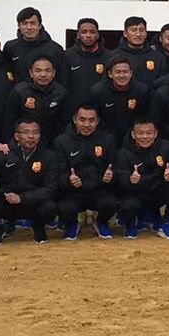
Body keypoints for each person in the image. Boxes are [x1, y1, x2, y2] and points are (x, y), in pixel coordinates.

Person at [0, 118, 60, 245]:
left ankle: (38, 227)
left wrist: (22, 198)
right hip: (5, 202)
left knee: (50, 207)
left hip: (32, 203)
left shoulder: (49, 156)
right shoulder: (3, 153)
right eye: (25, 132)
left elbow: (50, 188)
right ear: (16, 136)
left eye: (35, 132)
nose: (31, 136)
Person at [53, 103, 119, 240]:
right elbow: (58, 174)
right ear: (74, 119)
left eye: (91, 120)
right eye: (82, 120)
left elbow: (116, 169)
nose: (87, 124)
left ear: (97, 121)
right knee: (63, 207)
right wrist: (68, 180)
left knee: (111, 203)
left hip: (100, 190)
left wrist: (111, 177)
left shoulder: (108, 140)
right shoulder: (61, 142)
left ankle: (100, 222)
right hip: (73, 192)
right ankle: (72, 224)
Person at [113, 117, 169, 240]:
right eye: (140, 133)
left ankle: (166, 223)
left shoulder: (166, 146)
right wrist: (130, 179)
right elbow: (119, 178)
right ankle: (131, 223)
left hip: (157, 191)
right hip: (136, 193)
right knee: (126, 205)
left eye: (149, 133)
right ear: (133, 135)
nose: (145, 137)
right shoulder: (124, 153)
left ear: (155, 133)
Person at [4, 56, 69, 142]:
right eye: (38, 71)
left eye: (47, 71)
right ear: (31, 73)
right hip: (25, 142)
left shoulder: (61, 93)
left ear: (54, 73)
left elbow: (65, 122)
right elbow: (9, 122)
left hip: (52, 143)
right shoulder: (19, 92)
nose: (43, 74)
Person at [90, 56, 149, 144]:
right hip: (105, 140)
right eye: (118, 72)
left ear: (131, 73)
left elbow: (144, 118)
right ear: (110, 74)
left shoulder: (141, 91)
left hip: (134, 140)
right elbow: (95, 119)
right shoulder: (98, 91)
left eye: (125, 72)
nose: (122, 75)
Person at [3, 6, 65, 82]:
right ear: (19, 26)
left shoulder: (55, 49)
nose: (29, 27)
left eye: (33, 23)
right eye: (25, 23)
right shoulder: (10, 47)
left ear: (40, 26)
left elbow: (61, 79)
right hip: (19, 93)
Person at [61, 18, 110, 108]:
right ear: (78, 35)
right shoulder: (67, 56)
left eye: (92, 32)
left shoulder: (109, 57)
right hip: (75, 110)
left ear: (98, 35)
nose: (88, 35)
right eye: (84, 32)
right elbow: (63, 85)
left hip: (101, 110)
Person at [111, 16, 162, 86]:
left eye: (141, 30)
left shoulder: (158, 57)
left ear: (146, 33)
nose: (138, 34)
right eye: (133, 30)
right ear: (125, 33)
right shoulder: (113, 56)